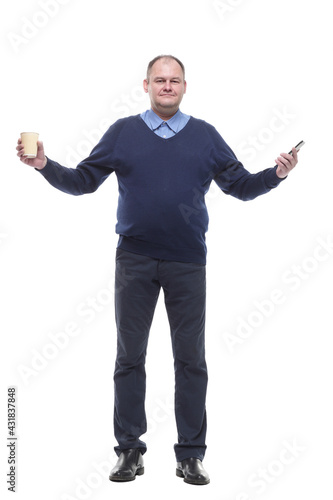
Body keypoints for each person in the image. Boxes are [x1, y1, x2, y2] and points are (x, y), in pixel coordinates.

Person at [16, 54, 299, 485]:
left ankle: (190, 455)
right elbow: (82, 181)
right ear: (145, 85)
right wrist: (44, 166)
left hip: (188, 261)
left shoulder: (205, 136)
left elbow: (240, 187)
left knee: (191, 360)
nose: (167, 86)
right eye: (160, 80)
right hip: (134, 260)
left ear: (185, 86)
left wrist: (276, 174)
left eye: (175, 80)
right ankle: (129, 450)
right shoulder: (123, 133)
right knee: (129, 358)